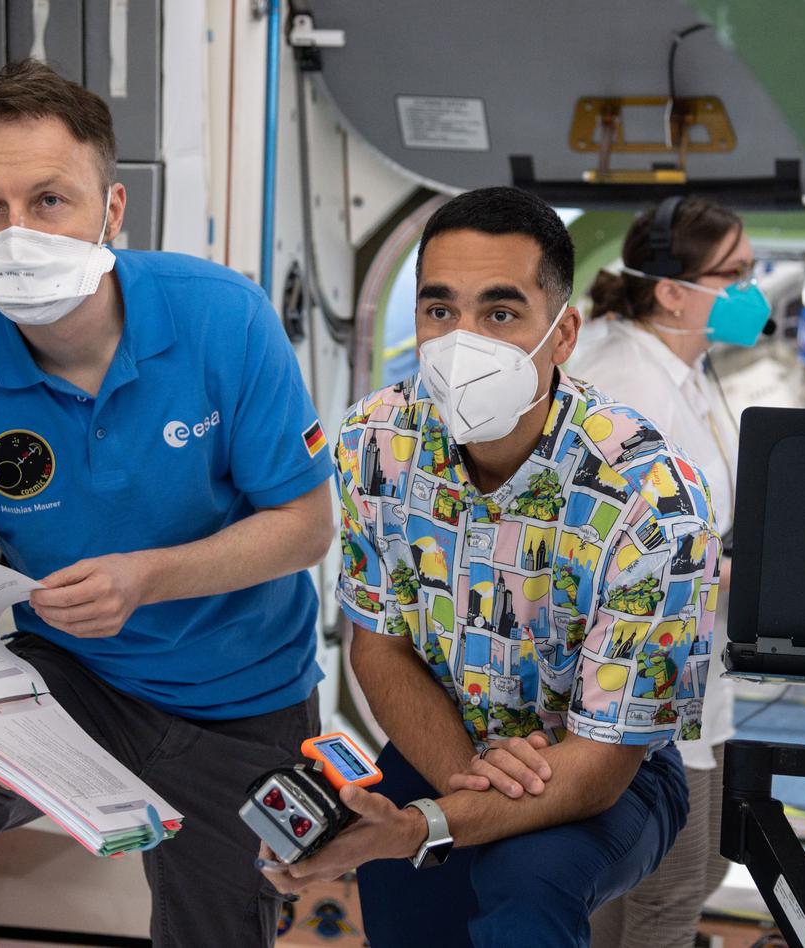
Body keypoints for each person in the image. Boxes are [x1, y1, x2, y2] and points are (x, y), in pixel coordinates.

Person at [0, 60, 335, 948]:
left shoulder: (225, 320)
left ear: (112, 210)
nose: (15, 231)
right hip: (72, 682)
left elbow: (307, 527)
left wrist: (147, 579)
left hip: (245, 695)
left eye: (49, 200)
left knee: (219, 931)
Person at [261, 186, 723, 948]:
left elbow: (605, 761)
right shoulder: (378, 444)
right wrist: (464, 790)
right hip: (440, 735)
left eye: (501, 314)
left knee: (524, 879)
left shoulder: (651, 497)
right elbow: (380, 646)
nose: (461, 340)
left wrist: (426, 826)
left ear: (564, 332)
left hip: (608, 764)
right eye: (439, 311)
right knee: (399, 886)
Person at [569, 196, 763, 948]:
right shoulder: (629, 383)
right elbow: (609, 547)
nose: (751, 289)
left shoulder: (681, 366)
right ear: (673, 289)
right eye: (735, 273)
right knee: (672, 886)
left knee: (702, 867)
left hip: (690, 668)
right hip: (637, 678)